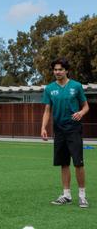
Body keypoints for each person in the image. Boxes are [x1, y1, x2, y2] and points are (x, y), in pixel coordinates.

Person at [41, 57, 90, 208]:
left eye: (60, 69)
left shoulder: (76, 86)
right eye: (55, 69)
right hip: (59, 130)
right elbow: (47, 110)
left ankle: (82, 196)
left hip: (74, 129)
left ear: (66, 71)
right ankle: (66, 195)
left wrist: (81, 113)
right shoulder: (49, 89)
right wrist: (43, 127)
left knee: (78, 163)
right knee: (63, 163)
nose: (57, 72)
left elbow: (86, 106)